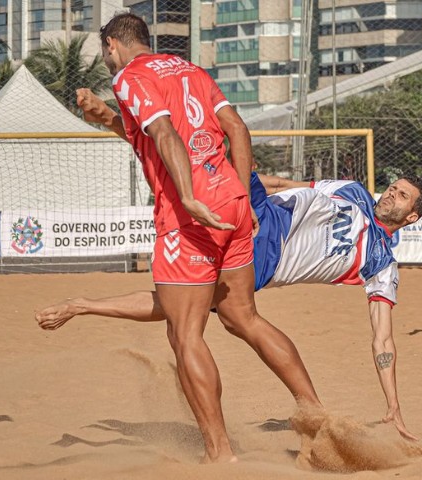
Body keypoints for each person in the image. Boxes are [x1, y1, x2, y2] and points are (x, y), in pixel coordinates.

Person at [37, 171, 422, 441]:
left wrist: (393, 404)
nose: (391, 193)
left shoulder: (382, 264)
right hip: (260, 209)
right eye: (393, 187)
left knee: (183, 304)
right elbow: (292, 185)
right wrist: (248, 180)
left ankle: (81, 305)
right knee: (223, 140)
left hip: (261, 256)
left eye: (402, 195)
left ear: (411, 216)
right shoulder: (354, 191)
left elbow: (382, 340)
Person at [89, 13, 322, 462]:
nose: (106, 59)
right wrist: (245, 197)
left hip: (190, 214)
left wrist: (190, 197)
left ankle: (220, 453)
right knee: (242, 318)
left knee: (185, 334)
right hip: (233, 203)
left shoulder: (129, 77)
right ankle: (316, 415)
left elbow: (165, 133)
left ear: (113, 45)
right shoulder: (188, 69)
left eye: (104, 52)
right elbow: (235, 129)